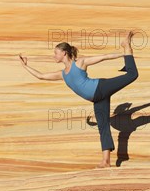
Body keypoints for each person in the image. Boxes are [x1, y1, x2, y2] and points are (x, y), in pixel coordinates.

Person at [19, 30, 139, 168]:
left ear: (64, 53)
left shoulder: (80, 63)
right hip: (97, 99)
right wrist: (25, 66)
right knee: (103, 127)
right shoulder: (62, 74)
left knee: (132, 75)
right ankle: (105, 162)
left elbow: (104, 57)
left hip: (101, 87)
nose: (54, 56)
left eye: (56, 53)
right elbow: (41, 76)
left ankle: (127, 47)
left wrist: (123, 54)